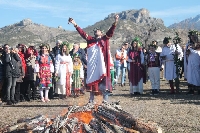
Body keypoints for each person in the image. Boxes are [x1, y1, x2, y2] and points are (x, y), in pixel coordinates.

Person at [68, 14, 119, 103]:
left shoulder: (104, 39)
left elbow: (110, 32)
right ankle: (91, 101)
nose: (96, 31)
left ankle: (105, 102)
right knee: (92, 82)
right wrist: (74, 23)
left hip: (102, 65)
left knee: (103, 83)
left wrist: (115, 22)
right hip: (92, 65)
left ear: (101, 33)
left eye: (98, 30)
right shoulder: (90, 40)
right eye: (95, 30)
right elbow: (82, 33)